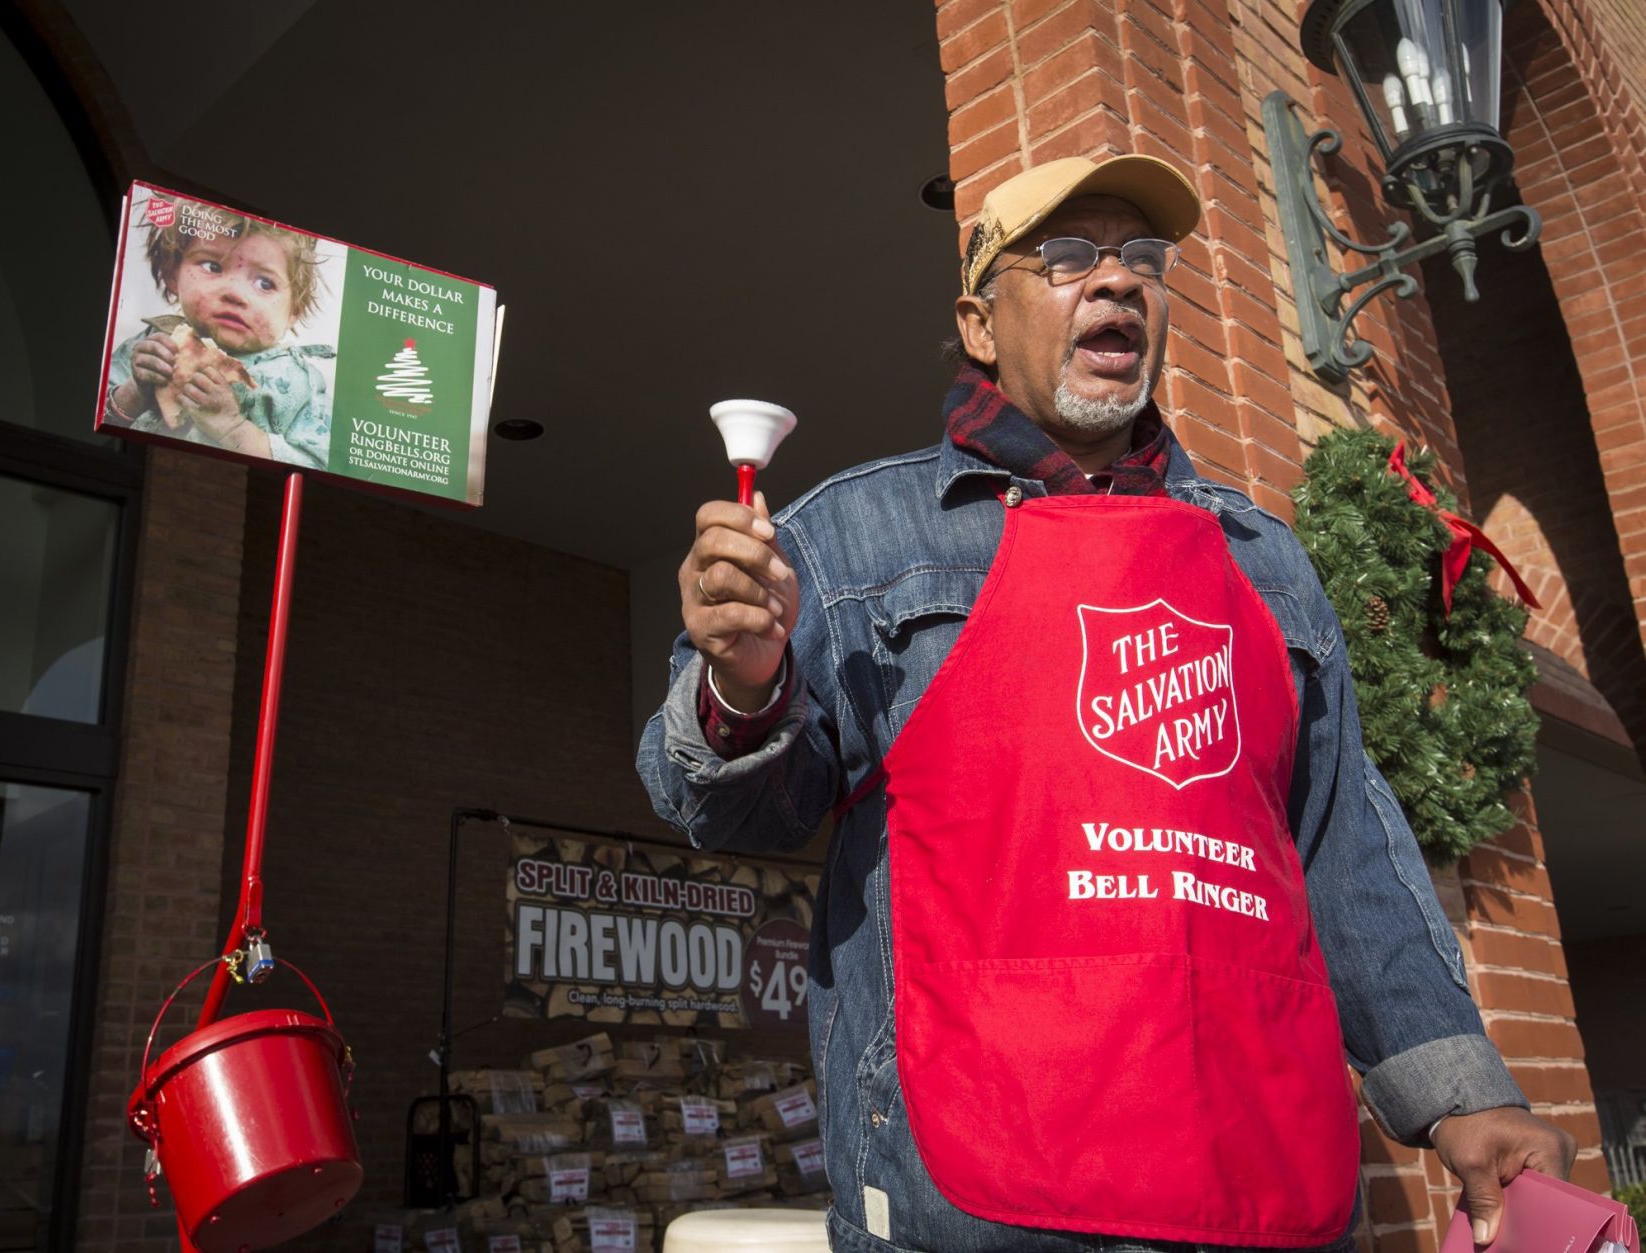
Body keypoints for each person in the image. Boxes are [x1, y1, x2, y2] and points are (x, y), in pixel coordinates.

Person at [637, 154, 1574, 1253]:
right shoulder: (847, 545)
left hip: (1252, 1184)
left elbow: (1341, 848)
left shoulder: (1264, 563)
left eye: (1141, 259)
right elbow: (734, 814)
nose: (1117, 281)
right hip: (968, 1196)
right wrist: (744, 686)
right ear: (979, 325)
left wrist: (1456, 1087)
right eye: (1069, 256)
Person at [102, 198, 333, 468]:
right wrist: (136, 389)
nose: (235, 293)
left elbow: (317, 462)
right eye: (213, 266)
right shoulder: (151, 344)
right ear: (172, 273)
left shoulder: (298, 382)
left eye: (265, 283)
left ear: (294, 310)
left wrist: (232, 428)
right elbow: (103, 424)